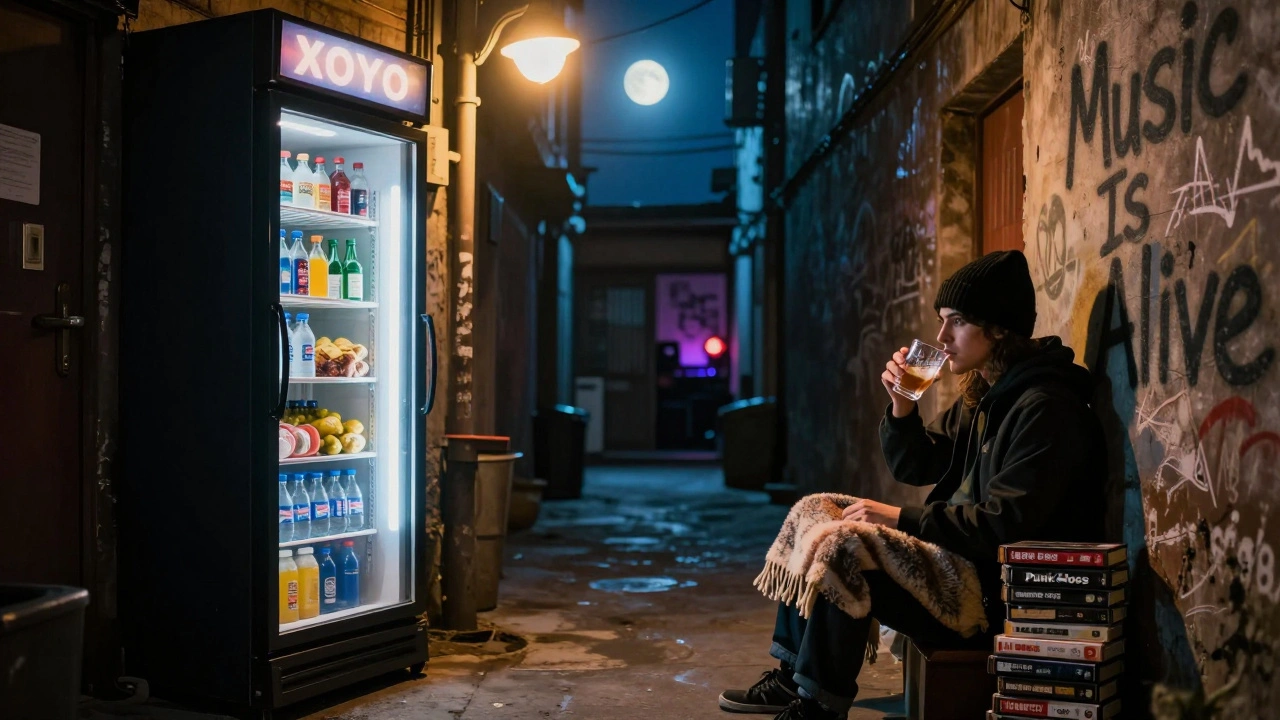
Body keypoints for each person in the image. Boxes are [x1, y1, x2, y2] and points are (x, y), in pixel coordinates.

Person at [718, 250, 1106, 720]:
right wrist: (902, 406)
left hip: (994, 594)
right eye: (942, 321)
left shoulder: (1045, 408)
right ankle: (790, 675)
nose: (942, 337)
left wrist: (900, 518)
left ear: (999, 329)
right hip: (957, 562)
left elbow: (1007, 524)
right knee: (816, 511)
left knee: (844, 547)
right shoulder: (985, 396)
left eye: (957, 321)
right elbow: (917, 465)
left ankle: (818, 705)